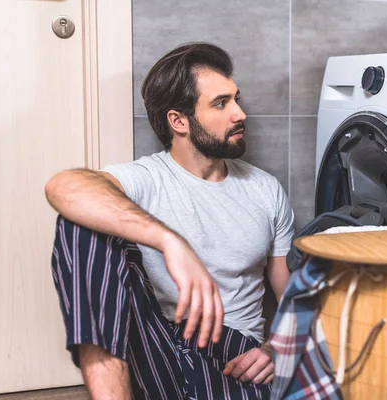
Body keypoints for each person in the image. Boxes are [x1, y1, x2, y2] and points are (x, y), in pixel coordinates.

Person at [44, 42, 295, 400]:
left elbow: (293, 299)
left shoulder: (265, 191)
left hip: (234, 355)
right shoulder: (148, 178)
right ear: (178, 121)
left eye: (236, 99)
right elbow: (63, 186)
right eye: (221, 103)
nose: (240, 114)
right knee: (81, 224)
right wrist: (169, 242)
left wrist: (276, 348)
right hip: (158, 346)